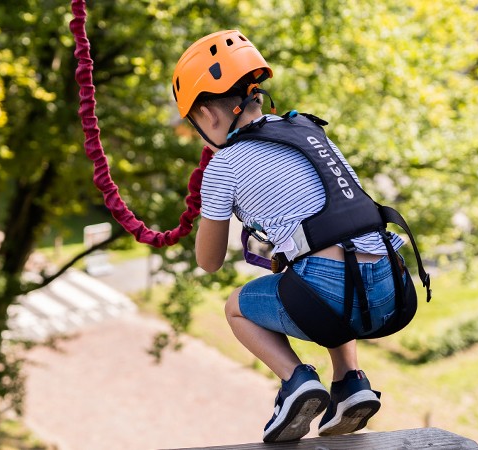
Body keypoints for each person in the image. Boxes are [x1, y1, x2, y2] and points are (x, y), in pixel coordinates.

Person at [172, 30, 406, 443]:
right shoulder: (309, 131)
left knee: (236, 308)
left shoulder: (222, 166)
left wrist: (215, 189)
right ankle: (351, 383)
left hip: (333, 297)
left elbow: (209, 261)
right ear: (256, 94)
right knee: (332, 259)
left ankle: (296, 381)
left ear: (207, 115)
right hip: (392, 282)